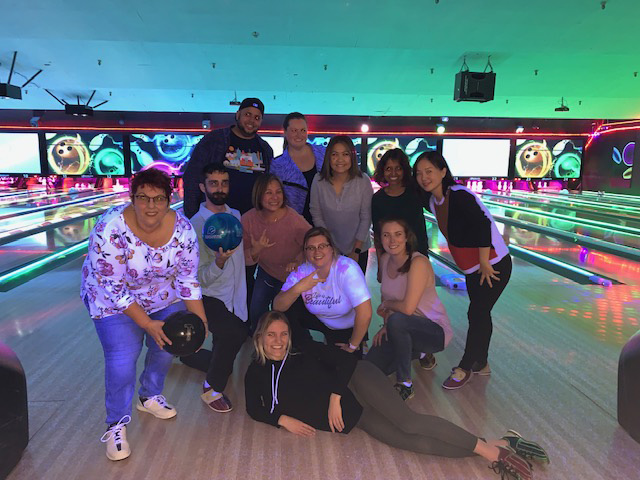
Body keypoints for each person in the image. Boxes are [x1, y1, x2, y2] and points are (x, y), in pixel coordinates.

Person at [245, 312, 548, 480]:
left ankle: (494, 455)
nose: (278, 341)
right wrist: (282, 419)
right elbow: (253, 409)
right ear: (260, 338)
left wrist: (335, 395)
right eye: (271, 335)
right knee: (411, 442)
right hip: (356, 417)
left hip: (357, 383)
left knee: (409, 422)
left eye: (283, 334)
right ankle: (502, 444)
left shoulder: (303, 350)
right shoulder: (255, 372)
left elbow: (349, 359)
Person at [80, 168, 206, 461]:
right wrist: (147, 323)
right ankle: (116, 424)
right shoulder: (109, 228)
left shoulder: (183, 230)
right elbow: (114, 286)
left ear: (169, 199)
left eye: (158, 198)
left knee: (166, 348)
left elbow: (188, 280)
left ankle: (149, 395)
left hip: (161, 293)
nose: (151, 206)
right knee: (123, 360)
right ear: (132, 198)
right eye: (143, 198)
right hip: (110, 298)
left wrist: (201, 324)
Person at [413, 151, 512, 390]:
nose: (424, 177)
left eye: (429, 171)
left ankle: (465, 366)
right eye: (419, 173)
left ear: (443, 171)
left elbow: (482, 224)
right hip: (473, 269)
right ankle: (482, 363)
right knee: (480, 313)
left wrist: (484, 262)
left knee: (477, 313)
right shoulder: (433, 201)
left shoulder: (458, 194)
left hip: (492, 265)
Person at [179, 163, 248, 413]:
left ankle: (189, 355)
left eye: (224, 182)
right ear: (202, 187)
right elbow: (197, 277)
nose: (220, 188)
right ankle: (211, 388)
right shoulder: (194, 226)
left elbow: (241, 260)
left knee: (225, 346)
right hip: (208, 296)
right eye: (213, 183)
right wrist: (218, 263)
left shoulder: (237, 215)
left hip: (235, 294)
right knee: (235, 334)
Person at [366, 219, 453, 401]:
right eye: (386, 235)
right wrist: (385, 327)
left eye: (398, 234)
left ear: (407, 237)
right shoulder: (384, 259)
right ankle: (416, 352)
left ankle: (405, 383)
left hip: (434, 331)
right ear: (379, 238)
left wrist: (388, 308)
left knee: (398, 321)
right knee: (370, 368)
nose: (392, 240)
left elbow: (406, 309)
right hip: (402, 327)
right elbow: (386, 296)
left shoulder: (418, 263)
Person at [272, 227, 371, 358]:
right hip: (320, 318)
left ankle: (360, 341)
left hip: (345, 326)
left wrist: (352, 345)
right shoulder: (302, 271)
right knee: (286, 307)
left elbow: (365, 313)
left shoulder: (347, 268)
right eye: (311, 248)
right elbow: (277, 306)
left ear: (332, 249)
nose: (317, 251)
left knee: (343, 365)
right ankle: (302, 346)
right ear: (305, 252)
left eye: (322, 246)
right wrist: (298, 288)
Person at [182, 97, 274, 218]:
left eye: (257, 118)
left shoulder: (265, 149)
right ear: (237, 115)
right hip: (214, 219)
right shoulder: (214, 140)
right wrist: (193, 216)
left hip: (252, 221)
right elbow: (192, 177)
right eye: (247, 114)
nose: (251, 120)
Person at [242, 174, 311, 334]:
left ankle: (295, 345)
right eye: (268, 192)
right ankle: (259, 344)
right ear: (259, 195)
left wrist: (297, 260)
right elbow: (244, 259)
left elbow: (312, 245)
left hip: (293, 275)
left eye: (278, 192)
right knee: (257, 311)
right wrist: (256, 250)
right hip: (267, 272)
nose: (274, 197)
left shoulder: (293, 219)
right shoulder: (248, 220)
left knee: (291, 316)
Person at [309, 136, 373, 273]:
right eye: (334, 154)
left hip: (358, 248)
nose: (340, 160)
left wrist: (356, 250)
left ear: (352, 157)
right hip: (327, 249)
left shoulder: (363, 181)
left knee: (354, 292)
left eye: (345, 154)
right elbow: (316, 214)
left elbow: (366, 217)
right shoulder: (319, 181)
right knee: (330, 292)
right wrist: (329, 246)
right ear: (328, 157)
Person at [371, 148, 428, 260]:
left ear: (404, 170)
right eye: (388, 169)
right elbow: (378, 235)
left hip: (417, 255)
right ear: (382, 170)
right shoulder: (378, 199)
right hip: (390, 257)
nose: (393, 173)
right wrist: (380, 265)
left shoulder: (416, 192)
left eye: (398, 168)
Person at [270, 112, 325, 225]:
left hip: (325, 222)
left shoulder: (323, 153)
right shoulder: (277, 165)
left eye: (303, 130)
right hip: (293, 225)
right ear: (285, 132)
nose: (299, 135)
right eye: (294, 131)